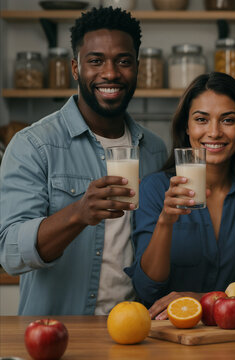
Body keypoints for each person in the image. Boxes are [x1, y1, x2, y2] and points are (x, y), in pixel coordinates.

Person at [0, 7, 167, 315]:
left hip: (134, 330)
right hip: (60, 334)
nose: (111, 73)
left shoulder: (155, 149)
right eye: (96, 61)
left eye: (123, 61)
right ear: (75, 69)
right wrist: (78, 214)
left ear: (137, 68)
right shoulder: (34, 145)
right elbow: (10, 253)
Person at [126, 72, 235, 319]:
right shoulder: (155, 189)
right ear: (186, 127)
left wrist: (202, 299)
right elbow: (147, 289)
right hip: (168, 337)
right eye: (201, 119)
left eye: (228, 120)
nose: (214, 132)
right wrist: (166, 220)